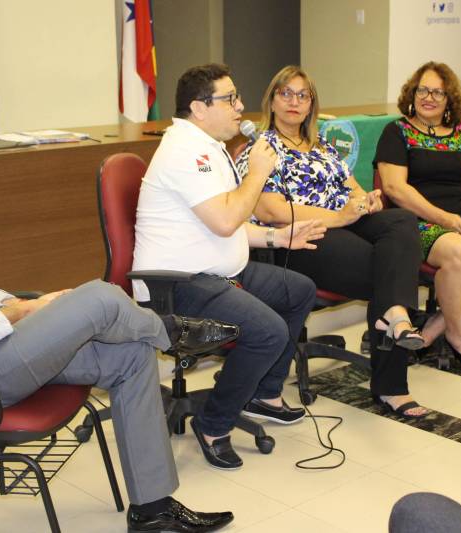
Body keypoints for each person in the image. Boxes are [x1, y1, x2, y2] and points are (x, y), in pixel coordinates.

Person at [0, 104, 238, 533]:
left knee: (130, 354)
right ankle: (173, 333)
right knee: (99, 299)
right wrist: (27, 310)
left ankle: (153, 510)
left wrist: (22, 305)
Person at [132, 64, 326, 470]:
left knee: (299, 290)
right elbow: (225, 220)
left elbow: (227, 220)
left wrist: (278, 238)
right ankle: (213, 424)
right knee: (267, 331)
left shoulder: (209, 144)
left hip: (219, 271)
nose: (240, 107)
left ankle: (264, 393)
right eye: (230, 99)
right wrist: (257, 173)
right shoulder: (185, 151)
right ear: (198, 108)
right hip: (179, 284)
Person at [236, 65, 429, 419]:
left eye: (303, 95)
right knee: (388, 271)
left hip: (345, 225)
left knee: (400, 220)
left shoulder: (321, 144)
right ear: (272, 101)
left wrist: (367, 201)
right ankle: (392, 381)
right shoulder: (260, 148)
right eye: (286, 93)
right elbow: (274, 210)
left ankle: (394, 315)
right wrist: (341, 216)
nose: (294, 102)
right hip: (298, 239)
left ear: (312, 104)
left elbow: (353, 191)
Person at [374, 61, 461, 371]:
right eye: (423, 90)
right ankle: (460, 336)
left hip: (459, 220)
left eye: (439, 92)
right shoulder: (396, 132)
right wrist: (445, 219)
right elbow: (395, 189)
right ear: (412, 94)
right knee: (460, 252)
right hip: (415, 222)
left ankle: (434, 329)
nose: (430, 97)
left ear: (449, 98)